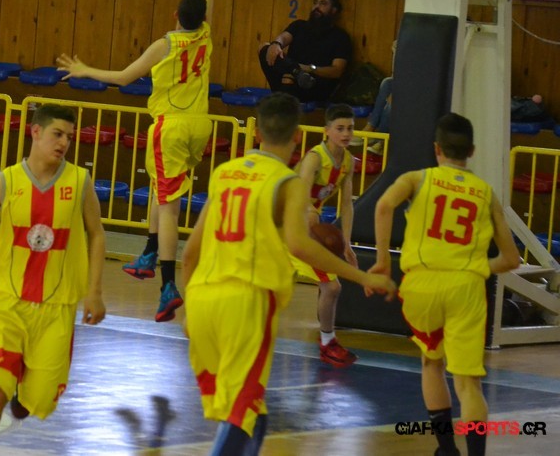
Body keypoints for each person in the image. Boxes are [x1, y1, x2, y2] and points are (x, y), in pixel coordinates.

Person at [182, 92, 396, 456]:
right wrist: (361, 277)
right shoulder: (288, 182)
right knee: (241, 415)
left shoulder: (223, 173)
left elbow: (189, 254)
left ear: (256, 134)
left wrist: (189, 309)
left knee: (252, 412)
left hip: (202, 299)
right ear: (298, 136)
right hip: (246, 302)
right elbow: (300, 245)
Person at [56, 0, 224, 323]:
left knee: (168, 207)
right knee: (161, 188)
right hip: (200, 126)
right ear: (202, 14)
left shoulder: (164, 45)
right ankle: (148, 254)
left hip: (171, 126)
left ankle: (168, 284)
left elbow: (124, 78)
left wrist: (84, 69)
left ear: (175, 14)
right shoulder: (205, 34)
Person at [0, 103, 106, 456]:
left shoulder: (80, 182)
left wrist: (94, 291)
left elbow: (97, 234)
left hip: (56, 307)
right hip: (7, 302)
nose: (64, 143)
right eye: (57, 134)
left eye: (69, 137)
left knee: (40, 399)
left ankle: (24, 395)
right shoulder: (5, 182)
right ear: (35, 132)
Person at [370, 113, 520, 456]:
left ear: (437, 148)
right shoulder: (485, 193)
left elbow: (383, 206)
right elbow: (511, 259)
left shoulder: (417, 178)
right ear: (472, 151)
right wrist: (474, 267)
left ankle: (447, 450)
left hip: (421, 284)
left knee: (431, 363)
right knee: (469, 384)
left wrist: (382, 259)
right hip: (465, 287)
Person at [292, 103, 360, 367]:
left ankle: (327, 341)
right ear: (326, 131)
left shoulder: (348, 162)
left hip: (303, 225)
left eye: (350, 128)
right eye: (340, 128)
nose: (346, 133)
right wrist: (311, 213)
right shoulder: (314, 158)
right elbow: (299, 195)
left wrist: (347, 242)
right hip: (287, 222)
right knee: (331, 286)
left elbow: (347, 205)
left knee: (330, 287)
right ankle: (327, 342)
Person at [258, 0, 351, 102]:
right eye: (315, 2)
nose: (317, 7)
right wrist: (276, 44)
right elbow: (284, 38)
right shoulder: (299, 26)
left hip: (315, 83)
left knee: (288, 78)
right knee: (265, 48)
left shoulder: (340, 37)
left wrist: (309, 69)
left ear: (334, 10)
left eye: (323, 3)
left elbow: (337, 71)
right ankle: (295, 71)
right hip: (289, 74)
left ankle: (295, 73)